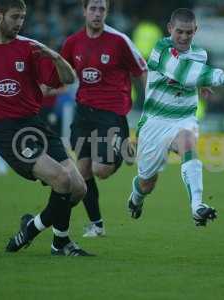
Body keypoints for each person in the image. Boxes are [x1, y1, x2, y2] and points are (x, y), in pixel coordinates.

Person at [0, 0, 92, 256]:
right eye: (15, 17)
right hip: (9, 133)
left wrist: (55, 56)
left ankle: (32, 227)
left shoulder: (30, 49)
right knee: (61, 179)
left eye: (23, 18)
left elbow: (68, 78)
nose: (20, 23)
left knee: (78, 188)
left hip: (36, 125)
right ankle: (60, 243)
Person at [127, 8, 224, 226]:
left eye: (189, 33)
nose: (183, 37)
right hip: (155, 120)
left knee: (188, 143)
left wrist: (202, 84)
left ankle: (197, 206)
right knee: (147, 183)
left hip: (184, 117)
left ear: (195, 31)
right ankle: (137, 197)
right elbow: (182, 72)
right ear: (170, 29)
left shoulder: (200, 54)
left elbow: (193, 73)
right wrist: (223, 77)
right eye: (179, 32)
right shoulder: (160, 50)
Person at [61, 0, 147, 237]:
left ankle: (124, 145)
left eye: (102, 9)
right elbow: (62, 75)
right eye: (93, 9)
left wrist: (149, 106)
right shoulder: (72, 43)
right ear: (84, 11)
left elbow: (142, 70)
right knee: (83, 171)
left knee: (101, 170)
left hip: (111, 113)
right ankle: (97, 225)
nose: (97, 14)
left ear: (106, 12)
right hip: (83, 113)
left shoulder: (119, 41)